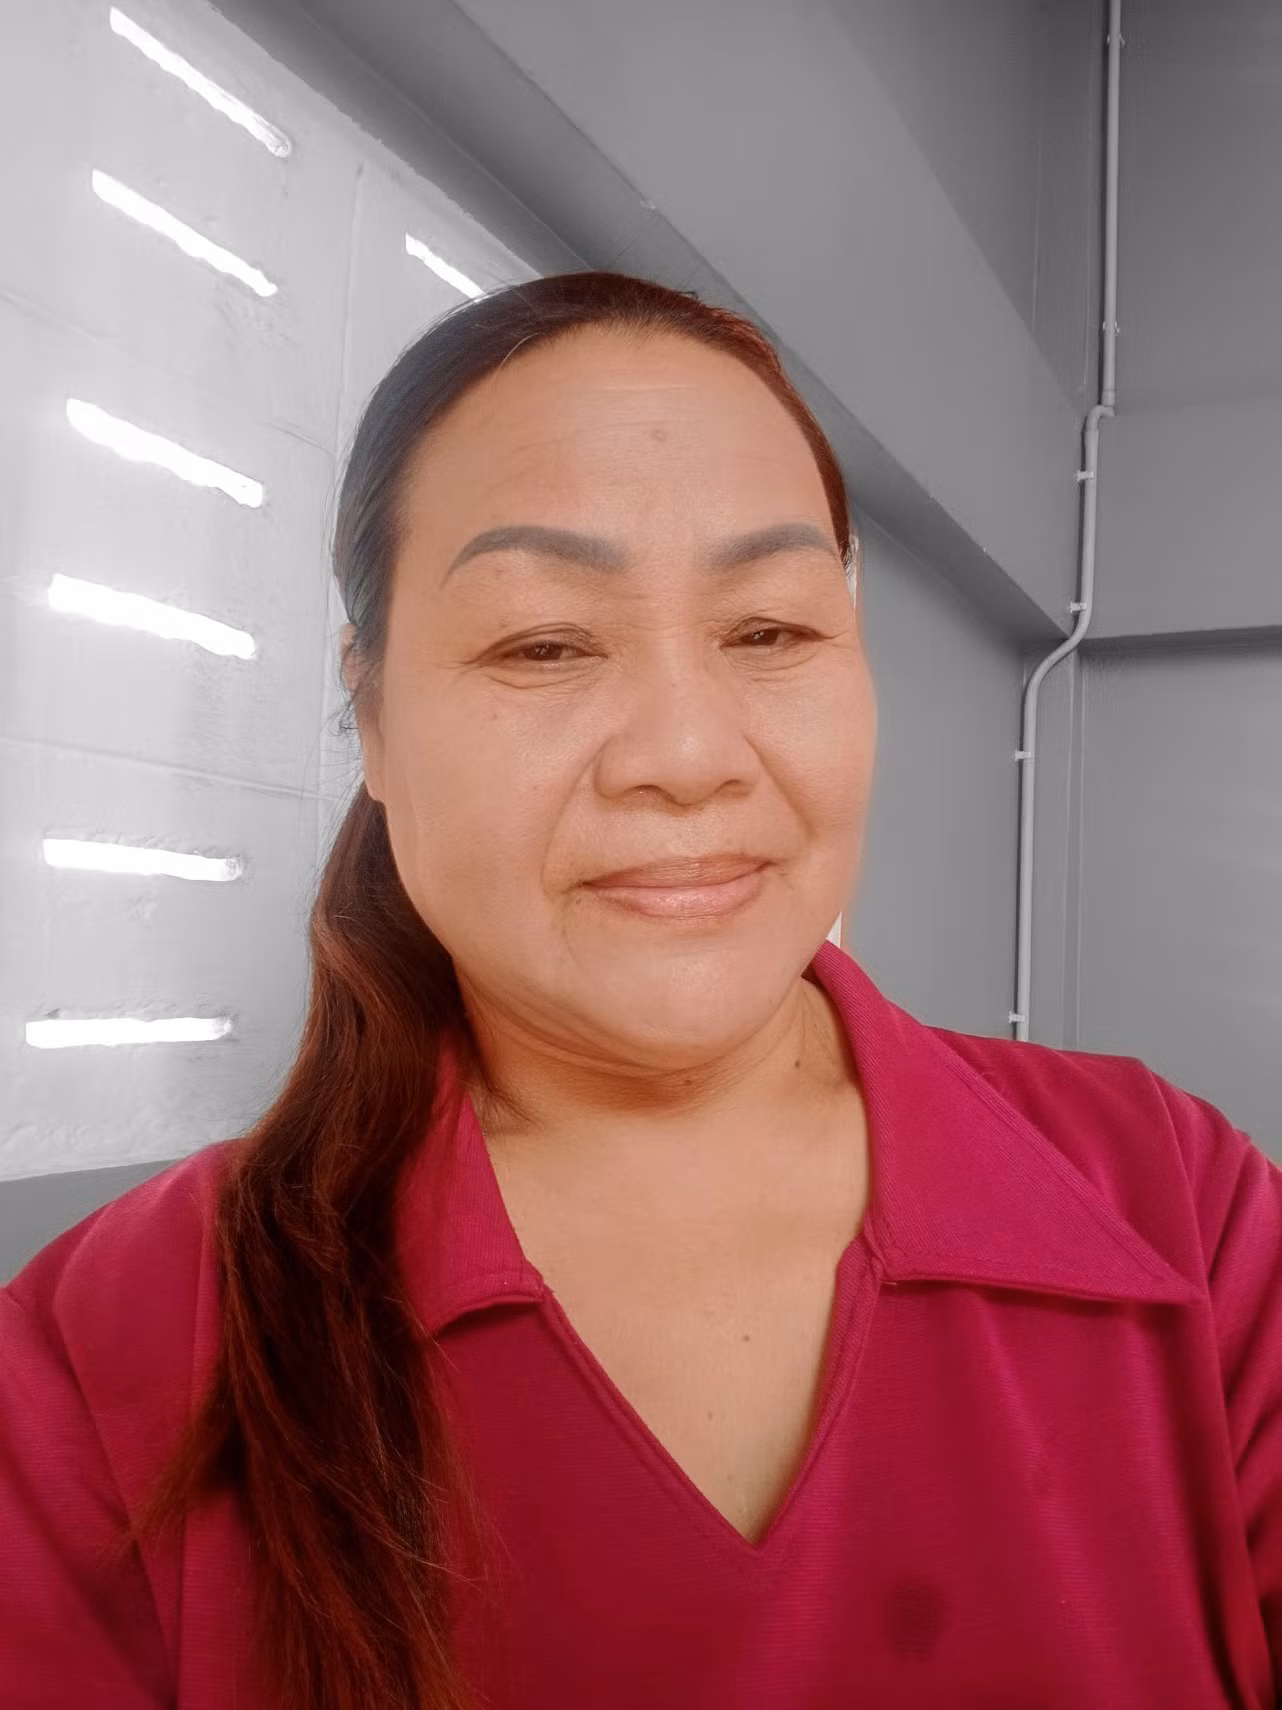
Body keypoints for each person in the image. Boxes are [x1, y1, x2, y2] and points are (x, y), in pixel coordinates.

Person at [1, 270, 1278, 1710]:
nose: (686, 754)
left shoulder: (1177, 1201)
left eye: (770, 630)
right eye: (543, 642)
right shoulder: (115, 1342)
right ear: (372, 714)